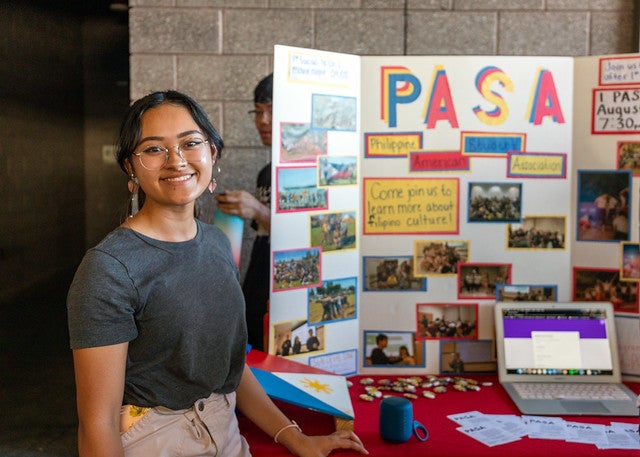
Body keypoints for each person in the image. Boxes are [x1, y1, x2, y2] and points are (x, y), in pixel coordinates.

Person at [66, 90, 367, 457]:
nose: (176, 161)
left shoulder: (218, 243)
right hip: (154, 439)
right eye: (154, 149)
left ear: (213, 154)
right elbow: (97, 422)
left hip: (225, 431)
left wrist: (293, 436)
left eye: (190, 143)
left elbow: (230, 367)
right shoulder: (109, 268)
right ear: (130, 167)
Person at [215, 74, 273, 351]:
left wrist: (259, 210)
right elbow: (263, 241)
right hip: (257, 288)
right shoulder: (266, 173)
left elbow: (319, 239)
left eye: (272, 111)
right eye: (258, 112)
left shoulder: (318, 172)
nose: (263, 121)